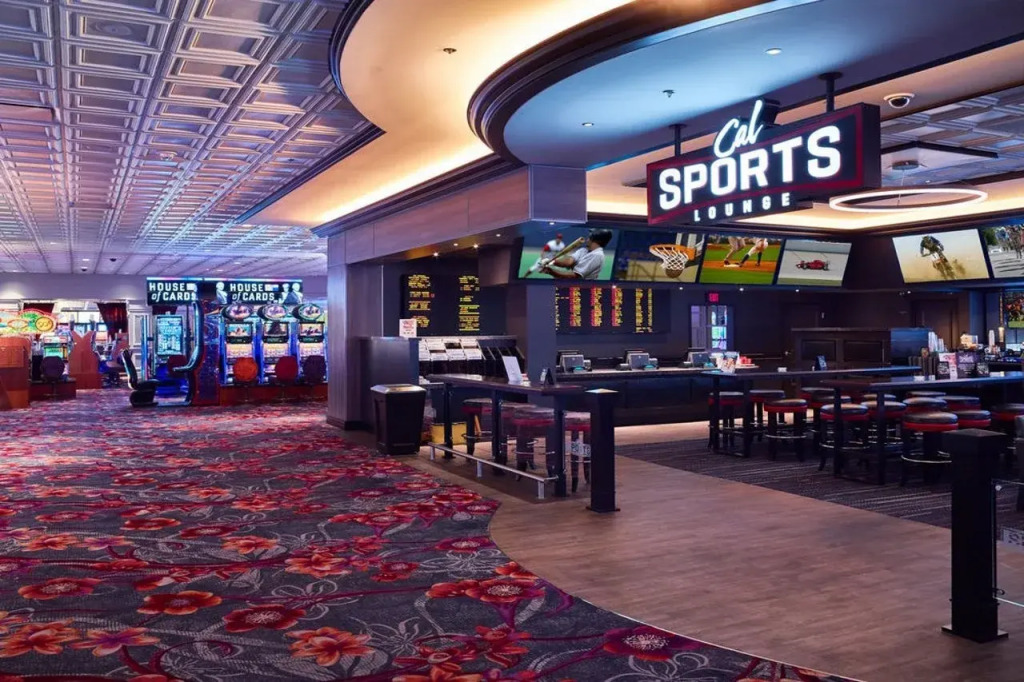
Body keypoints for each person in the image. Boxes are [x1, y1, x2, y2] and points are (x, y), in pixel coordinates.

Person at [542, 229, 612, 280]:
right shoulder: (584, 250)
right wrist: (552, 261)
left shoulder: (597, 255)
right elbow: (569, 261)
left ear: (596, 240)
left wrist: (551, 271)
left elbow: (574, 276)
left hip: (583, 290)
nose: (587, 239)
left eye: (590, 237)